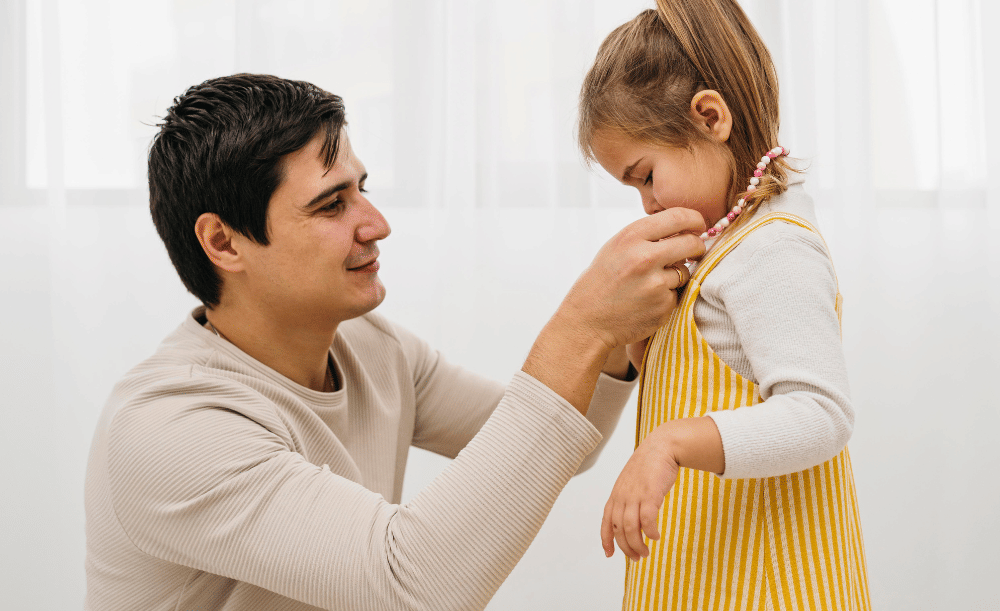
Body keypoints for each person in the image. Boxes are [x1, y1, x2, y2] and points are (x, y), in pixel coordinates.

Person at [83, 73, 708, 611]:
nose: (376, 224)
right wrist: (585, 324)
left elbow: (560, 444)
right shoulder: (170, 429)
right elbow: (414, 587)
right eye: (331, 205)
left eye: (362, 189)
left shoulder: (371, 347)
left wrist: (616, 335)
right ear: (223, 243)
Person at [577, 0, 871, 611]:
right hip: (707, 580)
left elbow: (820, 412)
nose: (646, 204)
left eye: (646, 175)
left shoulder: (772, 248)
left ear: (710, 118)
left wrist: (669, 443)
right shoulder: (722, 251)